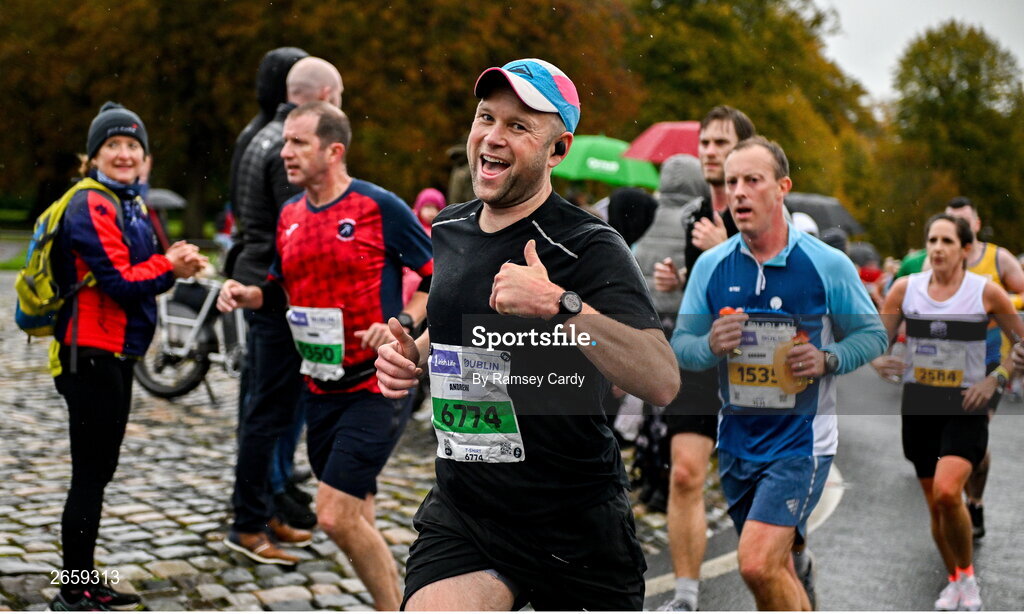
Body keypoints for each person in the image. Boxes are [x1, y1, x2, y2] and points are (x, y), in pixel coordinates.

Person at [374, 58, 679, 611]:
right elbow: (456, 327)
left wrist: (560, 306)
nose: (492, 137)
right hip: (467, 512)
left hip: (572, 524)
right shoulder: (451, 226)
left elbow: (660, 379)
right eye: (486, 118)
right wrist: (412, 359)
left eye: (518, 126)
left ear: (557, 150)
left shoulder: (588, 245)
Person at [218, 101, 432, 609]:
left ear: (334, 151)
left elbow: (434, 276)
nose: (283, 152)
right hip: (319, 385)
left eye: (297, 143)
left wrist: (399, 324)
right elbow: (275, 286)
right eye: (285, 141)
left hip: (375, 385)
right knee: (355, 514)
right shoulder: (290, 214)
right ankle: (392, 599)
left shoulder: (378, 207)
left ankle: (397, 608)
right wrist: (249, 295)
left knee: (333, 515)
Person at [672, 136, 887, 611]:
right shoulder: (711, 266)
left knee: (755, 562)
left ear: (782, 187)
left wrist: (827, 359)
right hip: (737, 443)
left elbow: (873, 336)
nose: (740, 193)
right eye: (731, 183)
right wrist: (710, 344)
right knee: (777, 568)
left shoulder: (826, 264)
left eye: (753, 180)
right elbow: (680, 349)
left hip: (801, 445)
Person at [49, 102, 206, 611]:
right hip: (88, 353)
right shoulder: (91, 204)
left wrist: (172, 260)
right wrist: (170, 265)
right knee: (89, 474)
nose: (123, 153)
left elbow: (142, 266)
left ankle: (86, 579)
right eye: (112, 145)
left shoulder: (129, 203)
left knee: (100, 470)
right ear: (92, 156)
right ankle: (73, 589)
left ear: (145, 159)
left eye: (131, 146)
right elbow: (119, 281)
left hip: (115, 354)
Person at [870, 213, 1023, 611]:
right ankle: (954, 579)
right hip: (919, 406)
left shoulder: (986, 292)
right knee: (935, 506)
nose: (937, 248)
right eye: (932, 241)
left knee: (947, 491)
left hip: (967, 405)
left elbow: (1020, 342)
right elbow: (874, 340)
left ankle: (968, 578)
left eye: (947, 242)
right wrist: (878, 361)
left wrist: (997, 380)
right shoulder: (905, 289)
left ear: (966, 249)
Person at [655, 107, 759, 612]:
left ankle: (790, 555)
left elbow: (776, 290)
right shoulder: (695, 212)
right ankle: (686, 595)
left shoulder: (758, 213)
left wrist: (729, 249)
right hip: (700, 357)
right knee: (685, 474)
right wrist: (677, 281)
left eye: (721, 143)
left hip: (755, 363)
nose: (710, 152)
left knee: (755, 480)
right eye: (705, 143)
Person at [938, 196, 1024, 539]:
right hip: (945, 364)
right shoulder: (938, 259)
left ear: (974, 225)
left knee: (974, 433)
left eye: (962, 220)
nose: (954, 226)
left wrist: (996, 298)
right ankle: (955, 494)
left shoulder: (997, 258)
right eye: (948, 220)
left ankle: (973, 500)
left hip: (990, 363)